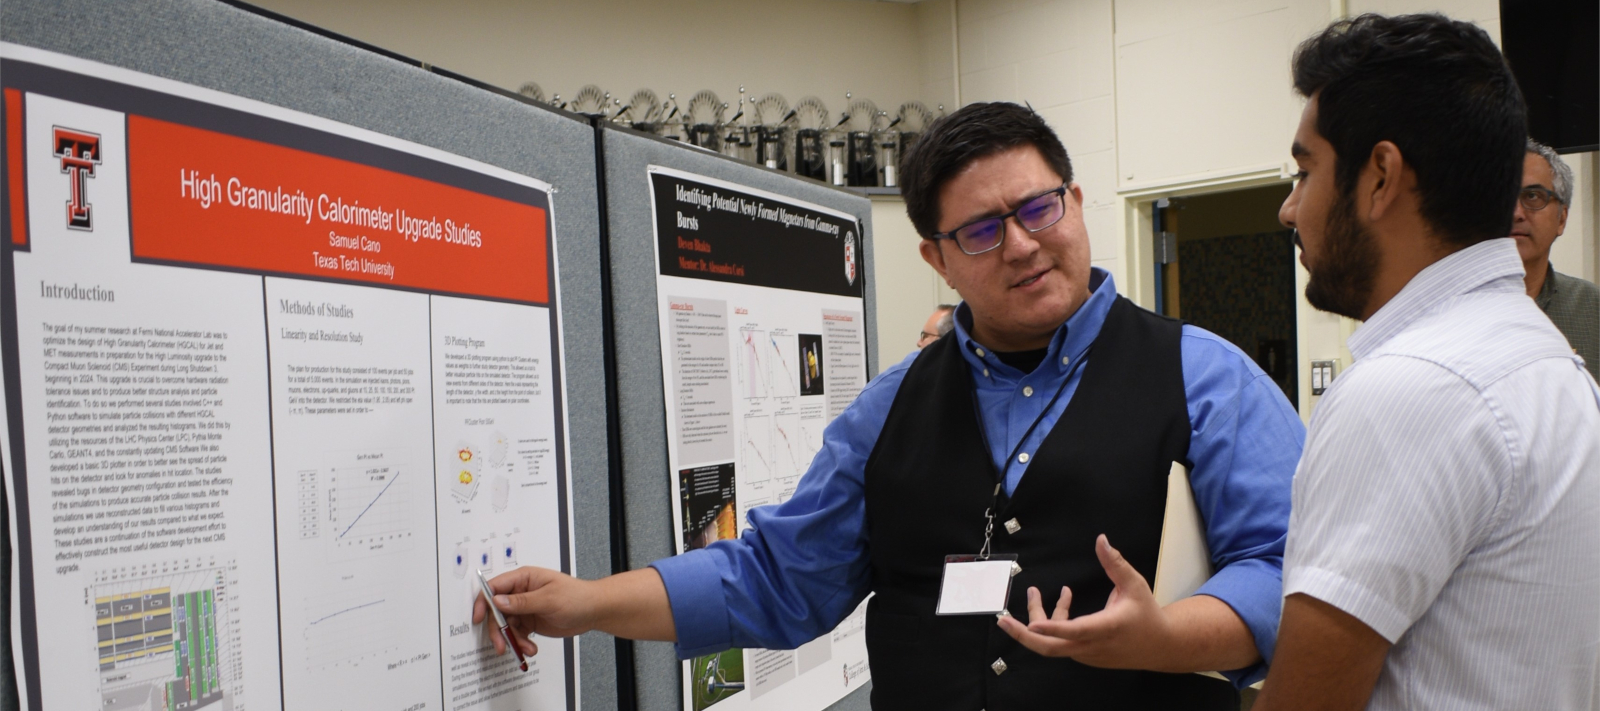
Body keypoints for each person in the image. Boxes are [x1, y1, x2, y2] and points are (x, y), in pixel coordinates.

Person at [475, 102, 1305, 709]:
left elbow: (1289, 570)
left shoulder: (1206, 379)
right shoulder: (888, 407)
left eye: (1037, 208)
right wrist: (585, 603)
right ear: (937, 258)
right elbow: (776, 577)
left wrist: (1171, 637)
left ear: (1077, 204)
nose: (1020, 243)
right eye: (981, 230)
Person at [1254, 13, 1600, 711]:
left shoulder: (1405, 390)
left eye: (1305, 171)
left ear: (1380, 176)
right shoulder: (1553, 363)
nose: (1291, 209)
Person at [1514, 140, 1599, 379]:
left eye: (1532, 196)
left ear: (1561, 219)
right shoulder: (1448, 307)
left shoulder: (1592, 309)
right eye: (1501, 197)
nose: (1516, 213)